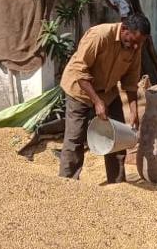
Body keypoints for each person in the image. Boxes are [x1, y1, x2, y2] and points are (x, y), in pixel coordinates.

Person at [59, 13, 150, 183]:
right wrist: (97, 102)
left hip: (108, 92)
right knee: (75, 139)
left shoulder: (135, 47)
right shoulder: (99, 35)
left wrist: (133, 111)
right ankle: (67, 184)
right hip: (80, 89)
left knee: (117, 137)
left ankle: (117, 184)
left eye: (140, 43)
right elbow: (80, 70)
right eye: (134, 40)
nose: (136, 46)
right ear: (124, 29)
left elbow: (130, 82)